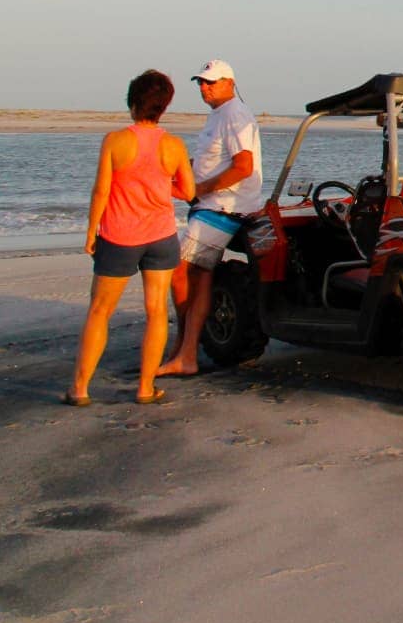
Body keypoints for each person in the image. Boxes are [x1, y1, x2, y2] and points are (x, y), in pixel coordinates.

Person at [66, 70, 195, 406]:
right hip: (161, 236)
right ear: (164, 106)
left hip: (120, 235)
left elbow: (101, 191)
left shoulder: (116, 140)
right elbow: (189, 190)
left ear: (132, 101)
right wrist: (162, 186)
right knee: (155, 311)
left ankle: (79, 389)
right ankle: (145, 387)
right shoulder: (174, 145)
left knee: (99, 311)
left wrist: (91, 230)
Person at [157, 60, 262, 377]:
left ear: (230, 82)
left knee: (179, 270)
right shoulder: (219, 115)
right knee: (200, 275)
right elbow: (211, 160)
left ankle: (183, 348)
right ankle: (186, 350)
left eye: (211, 82)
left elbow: (244, 166)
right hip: (210, 205)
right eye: (201, 83)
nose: (205, 88)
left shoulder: (234, 114)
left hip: (224, 207)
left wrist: (199, 189)